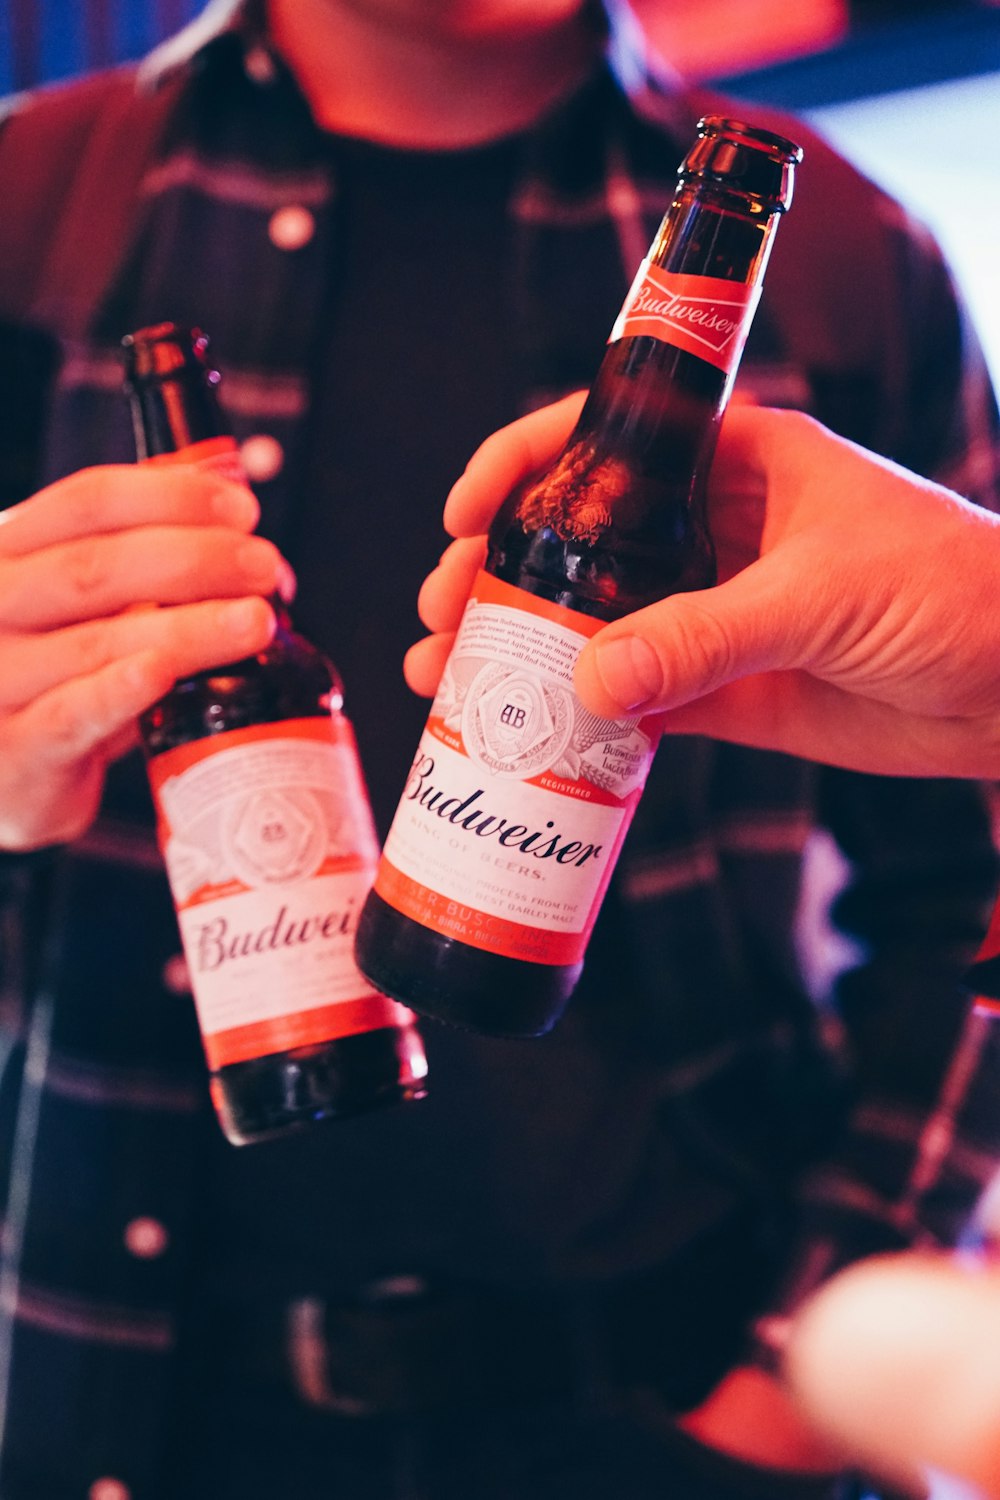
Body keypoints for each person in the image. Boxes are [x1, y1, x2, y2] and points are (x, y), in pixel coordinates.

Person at [1, 1, 999, 1497]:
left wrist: (816, 1347)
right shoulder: (33, 210)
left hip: (676, 1398)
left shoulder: (854, 261)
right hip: (138, 1395)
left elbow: (966, 893)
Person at [416, 398, 1000, 1498]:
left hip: (686, 1367)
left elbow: (962, 903)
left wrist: (800, 1383)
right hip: (158, 1355)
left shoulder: (858, 274)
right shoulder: (56, 237)